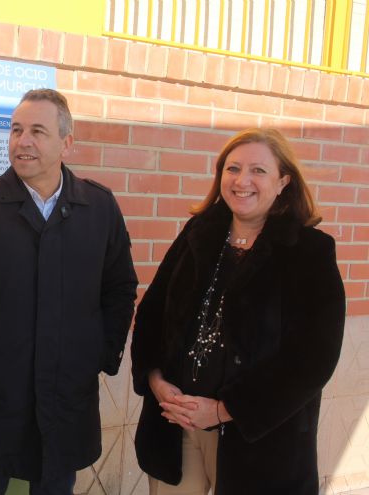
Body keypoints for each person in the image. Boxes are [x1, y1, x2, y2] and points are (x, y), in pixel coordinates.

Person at [0, 88, 138, 495]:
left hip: (66, 395)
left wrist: (100, 353)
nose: (22, 141)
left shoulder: (99, 208)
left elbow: (120, 288)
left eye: (37, 131)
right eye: (16, 130)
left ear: (66, 143)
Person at [131, 128, 346, 495]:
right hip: (176, 426)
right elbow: (153, 312)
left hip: (257, 442)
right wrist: (155, 381)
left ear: (283, 181)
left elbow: (314, 359)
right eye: (233, 168)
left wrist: (222, 411)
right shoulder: (198, 233)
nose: (242, 180)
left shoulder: (309, 252)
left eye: (258, 171)